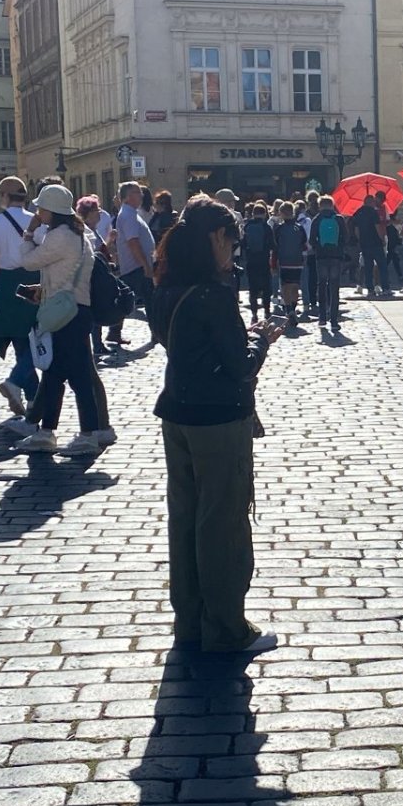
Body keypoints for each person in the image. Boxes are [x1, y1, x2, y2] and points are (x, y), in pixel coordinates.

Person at [148, 196, 281, 654]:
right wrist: (260, 341)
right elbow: (239, 367)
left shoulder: (166, 286)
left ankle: (189, 621)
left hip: (177, 415)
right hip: (218, 420)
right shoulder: (213, 294)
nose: (235, 252)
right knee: (221, 523)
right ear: (215, 238)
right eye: (232, 242)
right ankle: (225, 627)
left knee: (185, 520)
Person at [15, 184, 112, 456]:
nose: (37, 211)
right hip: (74, 310)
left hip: (67, 314)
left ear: (51, 210)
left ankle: (88, 435)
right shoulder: (78, 234)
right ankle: (46, 431)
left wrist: (29, 232)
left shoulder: (59, 236)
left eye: (40, 208)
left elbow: (28, 261)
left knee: (78, 376)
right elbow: (62, 273)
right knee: (56, 373)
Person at [0, 177, 40, 418]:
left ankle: (20, 386)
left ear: (5, 196)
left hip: (8, 283)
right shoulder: (36, 223)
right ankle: (33, 399)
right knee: (37, 340)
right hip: (35, 282)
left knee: (20, 342)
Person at [103, 181, 156, 351]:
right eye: (136, 192)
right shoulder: (128, 214)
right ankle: (157, 332)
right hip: (136, 267)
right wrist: (146, 265)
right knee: (149, 300)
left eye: (140, 191)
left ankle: (114, 331)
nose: (141, 194)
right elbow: (133, 242)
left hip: (136, 266)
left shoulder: (131, 213)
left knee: (127, 299)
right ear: (126, 197)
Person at [311, 195, 348, 334]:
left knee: (322, 285)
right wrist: (339, 248)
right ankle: (333, 320)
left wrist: (318, 248)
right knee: (334, 287)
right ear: (332, 205)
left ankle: (322, 317)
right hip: (336, 256)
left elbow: (312, 239)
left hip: (321, 256)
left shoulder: (317, 219)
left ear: (320, 205)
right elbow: (346, 236)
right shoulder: (339, 219)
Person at [270, 200, 307, 325]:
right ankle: (293, 307)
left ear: (281, 213)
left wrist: (273, 264)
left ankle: (289, 309)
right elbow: (304, 245)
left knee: (285, 286)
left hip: (284, 261)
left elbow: (275, 248)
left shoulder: (279, 228)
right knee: (295, 286)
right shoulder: (299, 228)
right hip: (297, 261)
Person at [241, 201, 274, 321]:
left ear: (253, 213)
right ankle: (267, 311)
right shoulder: (266, 227)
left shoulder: (248, 226)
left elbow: (243, 244)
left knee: (252, 288)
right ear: (264, 214)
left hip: (251, 261)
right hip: (264, 261)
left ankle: (254, 314)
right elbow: (273, 245)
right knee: (266, 288)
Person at [354, 195, 388, 298]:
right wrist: (382, 239)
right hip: (376, 243)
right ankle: (385, 287)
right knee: (382, 266)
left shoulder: (358, 212)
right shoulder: (374, 213)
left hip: (365, 244)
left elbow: (356, 230)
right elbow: (377, 227)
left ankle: (370, 289)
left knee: (368, 267)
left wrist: (360, 240)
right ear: (371, 202)